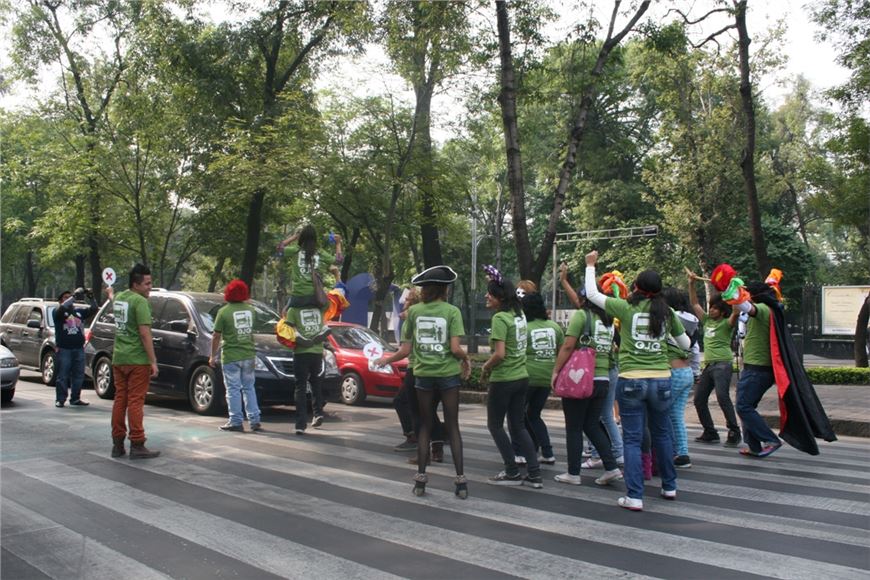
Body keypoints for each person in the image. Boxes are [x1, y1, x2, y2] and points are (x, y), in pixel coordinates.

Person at [584, 251, 691, 511]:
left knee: (632, 439)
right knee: (663, 434)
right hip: (662, 380)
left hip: (631, 379)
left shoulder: (626, 307)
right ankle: (669, 486)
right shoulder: (668, 313)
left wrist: (590, 266)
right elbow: (686, 344)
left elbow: (592, 295)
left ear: (636, 287)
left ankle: (634, 496)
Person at [374, 266, 471, 498]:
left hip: (423, 375)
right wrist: (466, 360)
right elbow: (456, 348)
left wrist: (386, 360)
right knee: (453, 426)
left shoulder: (414, 313)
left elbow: (406, 349)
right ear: (444, 289)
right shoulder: (452, 312)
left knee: (425, 425)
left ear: (426, 290)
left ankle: (420, 480)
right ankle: (460, 482)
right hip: (448, 375)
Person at [552, 281, 622, 487]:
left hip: (582, 378)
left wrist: (556, 371)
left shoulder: (582, 316)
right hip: (603, 379)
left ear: (585, 300)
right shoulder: (607, 321)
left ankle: (573, 473)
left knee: (573, 427)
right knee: (592, 424)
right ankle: (611, 467)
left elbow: (567, 346)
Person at [481, 271, 542, 489]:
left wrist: (485, 368)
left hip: (504, 379)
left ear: (501, 298)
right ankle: (534, 474)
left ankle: (511, 471)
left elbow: (499, 354)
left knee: (495, 425)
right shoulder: (519, 315)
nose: (487, 297)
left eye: (490, 295)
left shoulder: (500, 318)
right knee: (518, 426)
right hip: (522, 377)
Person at [110, 264, 160, 459]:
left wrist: (110, 293)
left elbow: (113, 299)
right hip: (137, 359)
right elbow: (144, 333)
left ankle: (117, 444)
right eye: (147, 283)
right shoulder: (140, 302)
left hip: (119, 357)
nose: (150, 287)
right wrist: (152, 360)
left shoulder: (121, 298)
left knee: (120, 400)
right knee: (135, 401)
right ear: (136, 284)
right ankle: (137, 443)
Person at [687, 271, 740, 446]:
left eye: (715, 308)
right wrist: (692, 283)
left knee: (722, 396)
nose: (711, 309)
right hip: (708, 365)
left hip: (723, 364)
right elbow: (694, 303)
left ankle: (734, 431)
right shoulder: (707, 321)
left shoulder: (727, 323)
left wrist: (733, 290)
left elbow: (736, 311)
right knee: (699, 398)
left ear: (723, 310)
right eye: (711, 306)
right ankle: (710, 431)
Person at [732, 282, 784, 458]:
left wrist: (730, 289)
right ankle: (754, 446)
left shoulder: (762, 309)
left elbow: (744, 306)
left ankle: (770, 439)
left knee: (743, 406)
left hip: (757, 369)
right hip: (759, 368)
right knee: (747, 405)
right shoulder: (771, 309)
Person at [209, 279, 262, 433]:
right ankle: (255, 419)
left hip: (231, 356)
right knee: (249, 387)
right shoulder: (251, 310)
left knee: (233, 389)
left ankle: (236, 421)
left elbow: (216, 336)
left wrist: (212, 356)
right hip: (249, 354)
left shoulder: (223, 312)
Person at [519, 292, 563, 465]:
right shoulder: (555, 327)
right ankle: (547, 451)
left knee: (518, 416)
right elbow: (561, 351)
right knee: (534, 415)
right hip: (547, 377)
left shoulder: (524, 328)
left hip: (528, 376)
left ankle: (524, 451)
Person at [662, 287, 700, 469]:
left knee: (663, 414)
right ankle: (682, 453)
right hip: (687, 373)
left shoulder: (671, 318)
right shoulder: (691, 319)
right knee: (676, 415)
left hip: (674, 372)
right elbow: (694, 348)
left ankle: (667, 452)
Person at [284, 294, 330, 436]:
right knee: (316, 383)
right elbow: (327, 301)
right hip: (317, 352)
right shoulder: (320, 309)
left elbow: (287, 328)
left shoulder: (293, 310)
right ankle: (318, 413)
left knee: (300, 387)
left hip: (301, 352)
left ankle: (300, 424)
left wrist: (288, 304)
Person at [53, 287, 99, 407]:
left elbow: (94, 309)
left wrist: (91, 297)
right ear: (60, 301)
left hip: (78, 348)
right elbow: (62, 308)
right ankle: (60, 399)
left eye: (69, 297)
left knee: (78, 375)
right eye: (65, 298)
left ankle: (75, 398)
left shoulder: (78, 312)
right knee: (63, 375)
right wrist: (74, 296)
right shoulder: (58, 312)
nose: (69, 300)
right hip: (64, 349)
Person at [276, 224, 343, 308]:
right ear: (315, 238)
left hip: (298, 295)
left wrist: (294, 236)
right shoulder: (320, 252)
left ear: (302, 237)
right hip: (316, 296)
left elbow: (279, 248)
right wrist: (338, 243)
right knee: (323, 313)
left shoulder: (295, 250)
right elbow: (339, 261)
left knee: (286, 315)